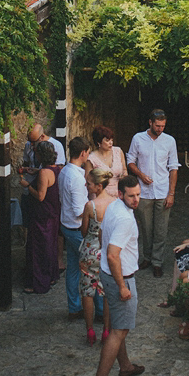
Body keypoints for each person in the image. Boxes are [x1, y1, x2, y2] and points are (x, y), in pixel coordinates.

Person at [88, 177, 145, 376]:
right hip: (120, 278)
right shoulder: (124, 219)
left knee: (117, 326)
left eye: (139, 195)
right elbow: (112, 254)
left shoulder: (113, 206)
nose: (136, 199)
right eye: (131, 196)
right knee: (119, 331)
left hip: (107, 275)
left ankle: (126, 367)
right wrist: (122, 286)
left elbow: (102, 236)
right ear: (121, 194)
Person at [126, 109, 179, 277]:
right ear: (150, 122)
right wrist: (141, 175)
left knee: (161, 229)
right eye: (157, 125)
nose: (160, 129)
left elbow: (173, 168)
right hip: (144, 192)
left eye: (163, 126)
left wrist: (171, 193)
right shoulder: (138, 138)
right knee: (146, 228)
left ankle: (157, 261)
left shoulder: (170, 141)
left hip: (163, 191)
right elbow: (130, 161)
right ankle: (147, 257)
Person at [79, 168, 116, 345]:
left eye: (89, 184)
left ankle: (90, 330)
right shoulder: (115, 203)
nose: (87, 186)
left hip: (90, 250)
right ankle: (107, 330)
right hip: (107, 250)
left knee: (87, 291)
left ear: (98, 186)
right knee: (107, 291)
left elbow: (84, 230)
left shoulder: (90, 206)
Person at [59, 136, 92, 319]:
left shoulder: (64, 172)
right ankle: (98, 310)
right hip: (76, 229)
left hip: (66, 226)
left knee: (72, 269)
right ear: (82, 153)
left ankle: (74, 307)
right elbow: (81, 211)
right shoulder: (77, 179)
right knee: (92, 269)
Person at [23, 140, 61, 294]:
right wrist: (35, 172)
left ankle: (39, 282)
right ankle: (51, 276)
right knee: (50, 246)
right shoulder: (56, 168)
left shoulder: (45, 173)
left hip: (42, 216)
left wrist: (27, 185)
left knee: (39, 249)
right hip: (53, 214)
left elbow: (40, 196)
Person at [85, 125, 127, 195]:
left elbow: (125, 170)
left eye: (112, 140)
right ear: (99, 142)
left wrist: (124, 175)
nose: (111, 143)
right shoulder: (91, 159)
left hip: (118, 194)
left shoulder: (118, 151)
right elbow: (88, 182)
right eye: (107, 140)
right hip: (100, 196)